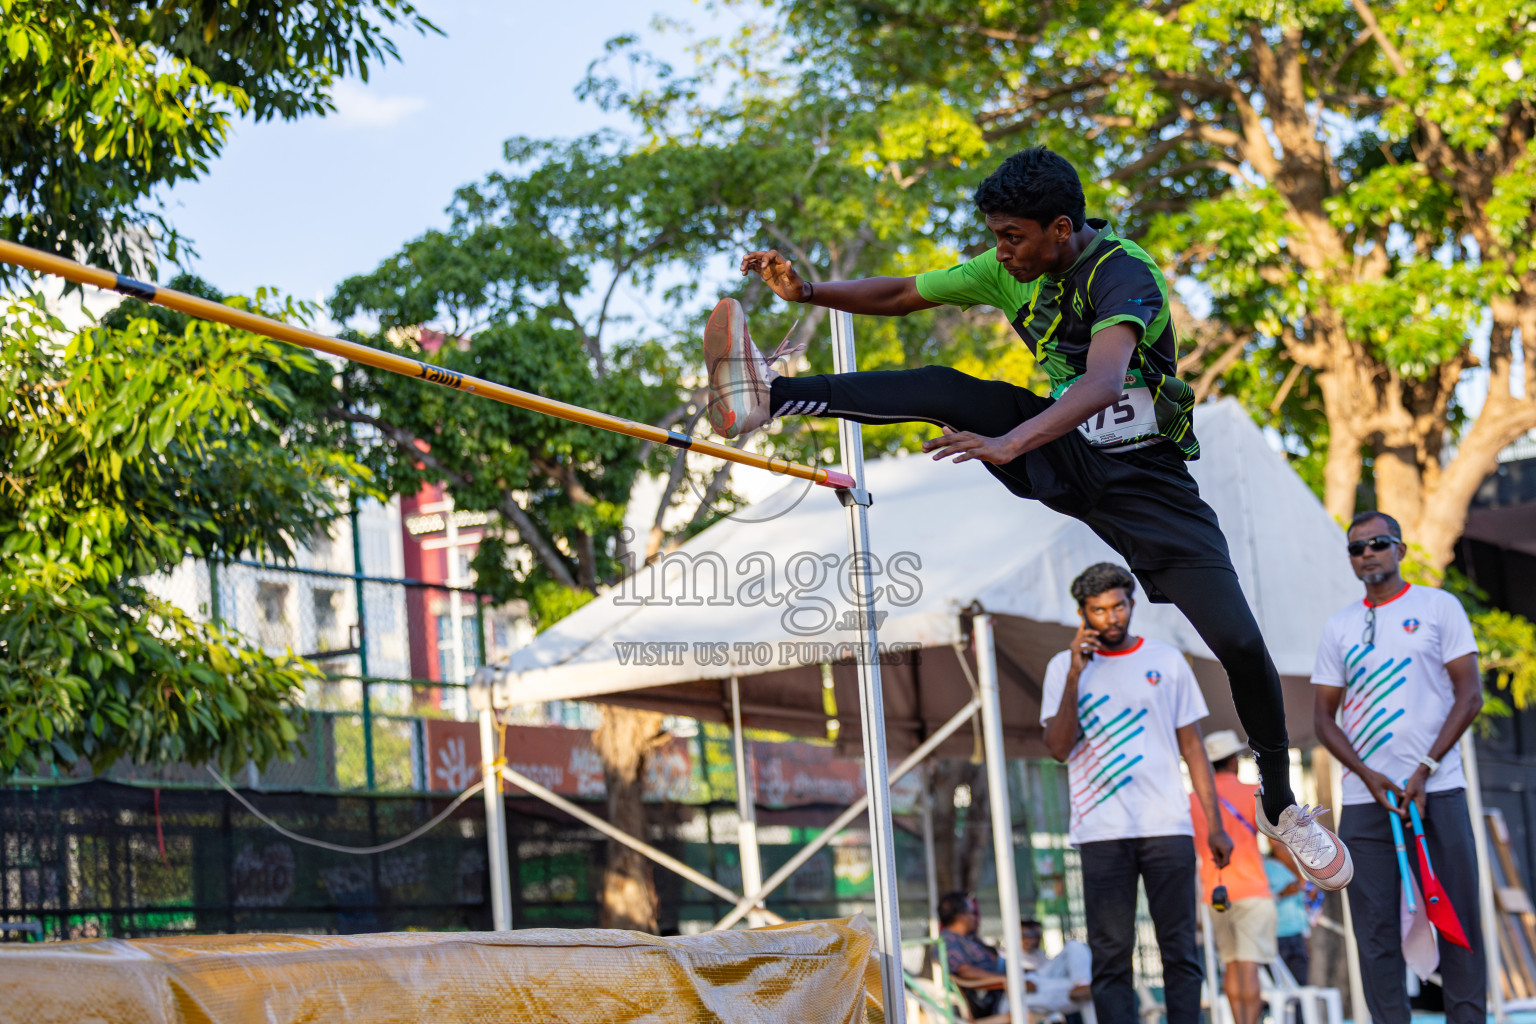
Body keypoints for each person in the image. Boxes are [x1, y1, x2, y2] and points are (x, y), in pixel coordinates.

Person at [705, 145, 1350, 890]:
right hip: (1066, 448)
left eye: (1013, 237)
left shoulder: (1122, 273)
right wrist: (810, 293)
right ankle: (771, 399)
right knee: (946, 386)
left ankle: (1281, 804)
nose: (1000, 252)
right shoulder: (1006, 266)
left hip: (1148, 482)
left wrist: (1010, 442)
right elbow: (905, 293)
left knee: (1240, 642)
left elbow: (1107, 379)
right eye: (996, 235)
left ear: (1061, 229)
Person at [1311, 511, 1486, 1024]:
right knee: (1374, 930)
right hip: (1368, 800)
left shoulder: (1438, 607)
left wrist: (1425, 769)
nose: (1367, 553)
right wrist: (1368, 775)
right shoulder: (1339, 627)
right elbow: (1323, 719)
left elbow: (1470, 695)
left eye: (1378, 543)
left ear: (1401, 550)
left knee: (1457, 923)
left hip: (1440, 789)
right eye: (1356, 548)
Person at [1038, 562, 1231, 1024]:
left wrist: (1215, 825)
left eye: (1118, 606)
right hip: (1100, 831)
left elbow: (1194, 748)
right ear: (1083, 614)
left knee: (1180, 949)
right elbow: (1059, 749)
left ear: (1132, 603)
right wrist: (1074, 676)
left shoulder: (1166, 661)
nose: (1111, 618)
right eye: (1098, 611)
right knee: (1110, 955)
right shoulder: (1062, 668)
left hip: (1167, 825)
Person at [1189, 730, 1279, 1024]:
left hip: (1214, 892)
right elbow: (1277, 845)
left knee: (1231, 964)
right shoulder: (1252, 793)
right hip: (1251, 889)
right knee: (1249, 965)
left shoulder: (1193, 800)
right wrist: (1303, 877)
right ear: (1232, 761)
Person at [937, 892, 1008, 1018]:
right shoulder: (948, 943)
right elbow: (965, 972)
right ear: (961, 916)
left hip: (1008, 988)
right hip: (1000, 998)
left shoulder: (966, 938)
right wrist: (1005, 979)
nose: (974, 917)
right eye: (972, 912)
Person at [1018, 918, 1094, 1017]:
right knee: (1090, 992)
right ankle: (1086, 985)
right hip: (1033, 988)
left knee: (1074, 946)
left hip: (1051, 983)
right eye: (1027, 935)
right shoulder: (1010, 956)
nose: (1033, 939)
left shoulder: (1038, 954)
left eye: (1037, 935)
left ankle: (1083, 983)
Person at [1264, 854, 1310, 986]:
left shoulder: (1298, 867)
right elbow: (1259, 901)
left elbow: (1302, 906)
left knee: (1301, 985)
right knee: (1281, 986)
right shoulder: (1264, 866)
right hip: (1276, 936)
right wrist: (1283, 893)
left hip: (1297, 935)